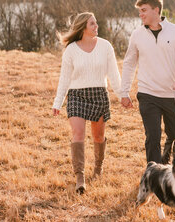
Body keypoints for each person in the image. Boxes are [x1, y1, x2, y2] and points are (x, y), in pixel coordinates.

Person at [52, 12, 131, 193]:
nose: (97, 27)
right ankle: (80, 177)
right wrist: (58, 102)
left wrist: (122, 96)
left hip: (98, 94)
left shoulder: (105, 46)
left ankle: (98, 168)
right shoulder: (71, 49)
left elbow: (113, 75)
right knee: (78, 133)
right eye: (93, 24)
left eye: (96, 23)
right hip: (76, 95)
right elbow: (64, 78)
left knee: (98, 137)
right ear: (83, 27)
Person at [121, 0, 175, 164]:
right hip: (148, 94)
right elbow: (129, 63)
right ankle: (153, 175)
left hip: (173, 95)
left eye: (144, 10)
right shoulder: (137, 35)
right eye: (140, 11)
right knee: (152, 137)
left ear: (156, 10)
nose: (141, 14)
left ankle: (165, 168)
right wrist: (124, 91)